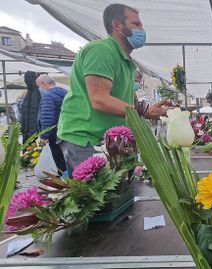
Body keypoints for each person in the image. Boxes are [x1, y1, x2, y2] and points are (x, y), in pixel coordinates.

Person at [57, 3, 171, 176]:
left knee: (120, 198)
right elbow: (100, 100)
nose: (142, 30)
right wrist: (146, 112)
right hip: (87, 140)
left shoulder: (125, 61)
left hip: (111, 141)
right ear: (117, 25)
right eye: (136, 24)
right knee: (98, 199)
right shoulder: (101, 51)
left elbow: (128, 101)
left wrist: (152, 108)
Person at [36, 75, 68, 174]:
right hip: (68, 132)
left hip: (55, 134)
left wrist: (44, 136)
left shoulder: (48, 96)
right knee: (69, 159)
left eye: (39, 86)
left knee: (60, 161)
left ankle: (65, 183)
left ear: (43, 84)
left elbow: (47, 118)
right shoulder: (66, 93)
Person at [21, 71, 42, 144]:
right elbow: (25, 112)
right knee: (28, 153)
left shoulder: (36, 93)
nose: (26, 81)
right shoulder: (30, 92)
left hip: (32, 131)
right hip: (27, 130)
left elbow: (35, 112)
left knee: (31, 152)